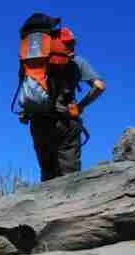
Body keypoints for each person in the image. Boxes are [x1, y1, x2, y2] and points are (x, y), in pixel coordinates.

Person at [17, 13, 107, 181]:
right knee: (70, 174)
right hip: (66, 121)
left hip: (39, 121)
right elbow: (99, 86)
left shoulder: (32, 61)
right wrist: (81, 106)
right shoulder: (77, 62)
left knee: (47, 173)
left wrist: (25, 113)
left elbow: (27, 88)